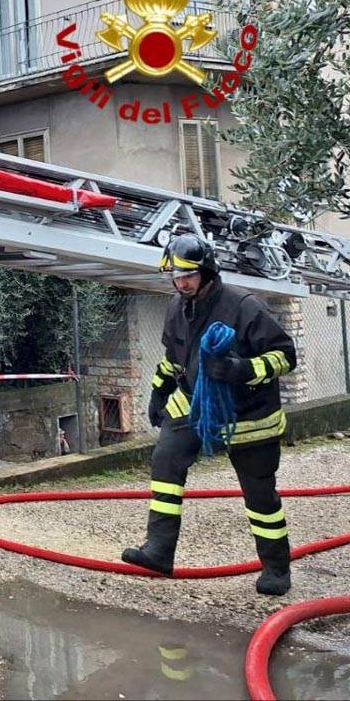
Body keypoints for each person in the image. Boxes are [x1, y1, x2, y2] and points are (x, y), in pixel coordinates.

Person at [121, 234, 297, 595]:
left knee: (259, 495)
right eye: (176, 276)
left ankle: (277, 569)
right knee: (166, 459)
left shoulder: (243, 306)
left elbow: (285, 357)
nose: (181, 282)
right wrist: (160, 389)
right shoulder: (177, 307)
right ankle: (159, 549)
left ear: (207, 271)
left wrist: (240, 369)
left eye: (188, 275)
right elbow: (175, 357)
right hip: (194, 402)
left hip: (249, 413)